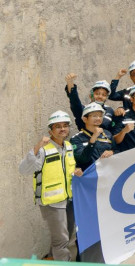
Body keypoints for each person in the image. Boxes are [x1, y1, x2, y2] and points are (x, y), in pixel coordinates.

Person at [18, 111, 81, 262]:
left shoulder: (68, 146)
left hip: (68, 198)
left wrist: (76, 171)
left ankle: (55, 260)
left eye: (65, 125)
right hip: (52, 202)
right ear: (50, 131)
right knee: (61, 240)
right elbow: (23, 170)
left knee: (68, 234)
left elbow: (65, 169)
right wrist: (37, 147)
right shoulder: (43, 149)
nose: (62, 129)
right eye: (57, 126)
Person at [70, 103, 115, 171]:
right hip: (91, 175)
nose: (98, 118)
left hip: (108, 173)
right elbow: (82, 159)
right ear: (85, 119)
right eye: (94, 116)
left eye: (100, 116)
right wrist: (93, 138)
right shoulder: (76, 139)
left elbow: (117, 150)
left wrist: (112, 152)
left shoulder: (107, 134)